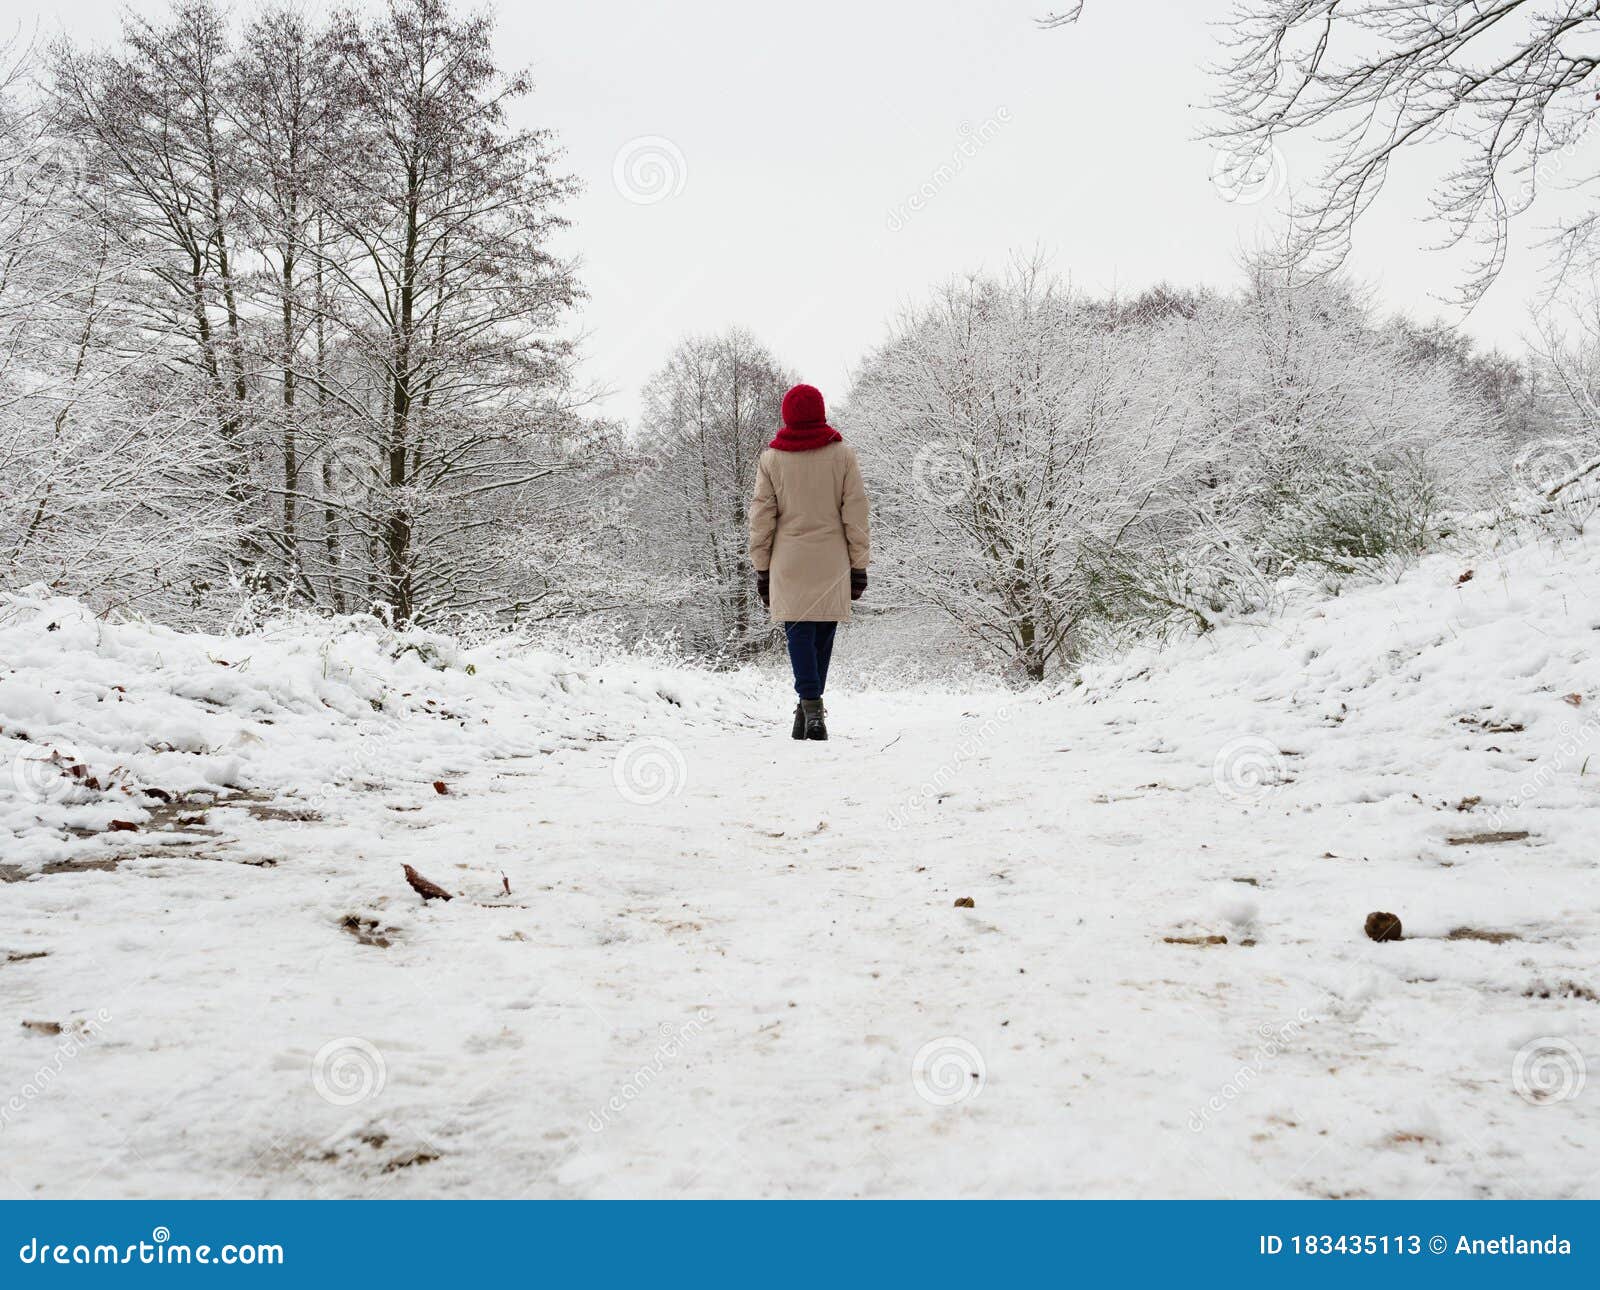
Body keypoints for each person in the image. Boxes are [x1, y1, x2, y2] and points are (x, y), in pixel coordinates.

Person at [747, 383, 871, 741]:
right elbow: (856, 512)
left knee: (798, 634)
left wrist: (762, 566)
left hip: (789, 560)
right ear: (821, 411)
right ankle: (812, 709)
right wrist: (859, 563)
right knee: (822, 634)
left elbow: (762, 517)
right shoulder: (843, 455)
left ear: (787, 415)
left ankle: (809, 707)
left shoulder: (771, 459)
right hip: (832, 559)